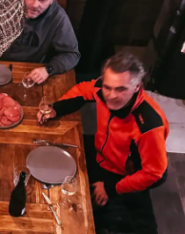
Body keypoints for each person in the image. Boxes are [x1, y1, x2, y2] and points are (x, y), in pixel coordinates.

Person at [40, 52, 169, 212]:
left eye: (121, 89)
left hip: (121, 176)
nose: (111, 95)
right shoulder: (101, 88)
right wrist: (56, 108)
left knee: (80, 209)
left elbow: (154, 174)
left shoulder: (149, 125)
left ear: (137, 87)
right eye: (107, 87)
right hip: (99, 155)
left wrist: (110, 188)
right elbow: (82, 90)